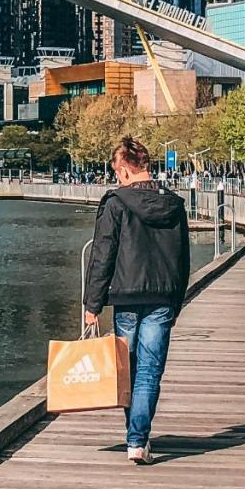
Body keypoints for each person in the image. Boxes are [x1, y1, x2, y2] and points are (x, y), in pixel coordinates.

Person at [83, 136, 191, 465]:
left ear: (127, 170)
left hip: (126, 297)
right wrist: (177, 299)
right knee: (149, 372)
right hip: (161, 295)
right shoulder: (174, 204)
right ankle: (138, 440)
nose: (117, 179)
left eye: (118, 172)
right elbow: (182, 258)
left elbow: (103, 255)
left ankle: (134, 434)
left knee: (127, 371)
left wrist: (92, 304)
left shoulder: (115, 203)